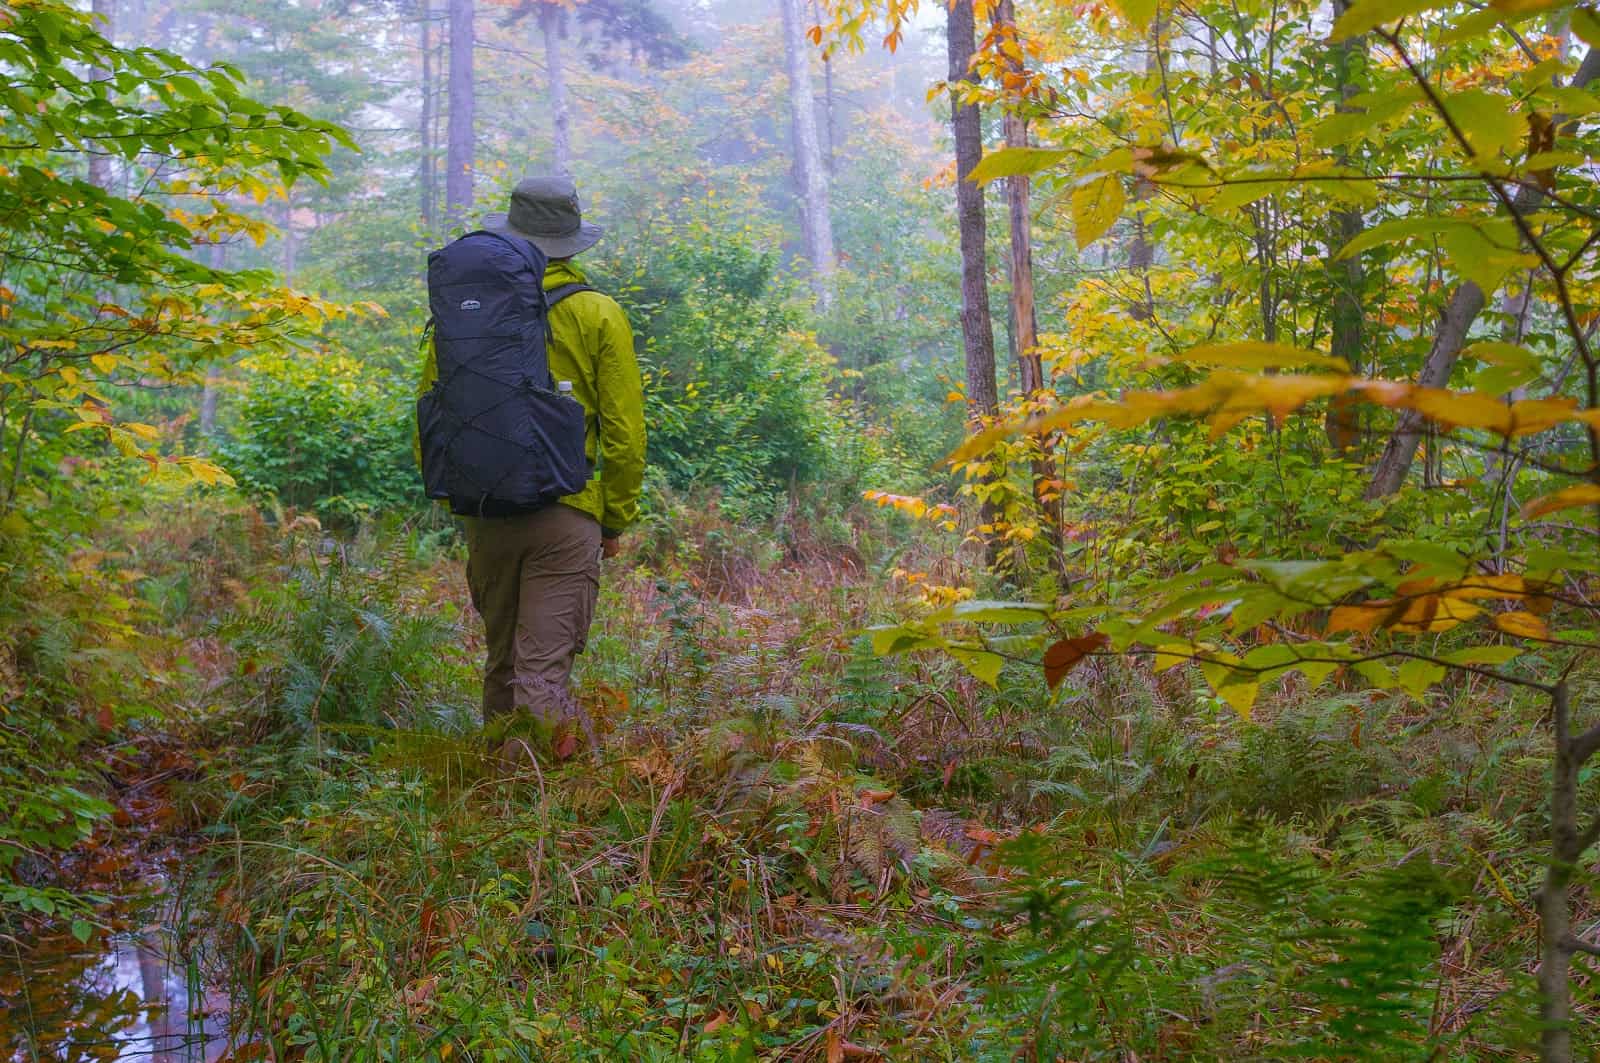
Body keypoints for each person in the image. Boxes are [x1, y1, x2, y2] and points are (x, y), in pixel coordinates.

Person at [418, 176, 646, 753]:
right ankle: (539, 815)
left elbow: (430, 413)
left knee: (502, 665)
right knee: (541, 671)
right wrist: (613, 520)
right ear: (571, 241)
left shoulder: (462, 314)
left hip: (484, 511)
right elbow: (624, 432)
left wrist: (468, 496)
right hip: (566, 514)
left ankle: (493, 797)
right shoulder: (597, 312)